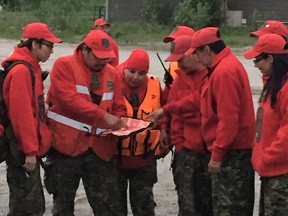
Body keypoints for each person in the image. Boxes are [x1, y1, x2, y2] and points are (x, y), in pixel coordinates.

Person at [44, 29, 127, 216]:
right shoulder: (64, 65)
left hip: (100, 150)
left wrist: (120, 120)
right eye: (99, 57)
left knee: (107, 206)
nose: (104, 62)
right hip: (66, 148)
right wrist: (104, 117)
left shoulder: (113, 74)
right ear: (85, 50)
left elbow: (119, 106)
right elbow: (69, 100)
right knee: (63, 205)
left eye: (107, 58)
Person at [186, 27, 255, 215]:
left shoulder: (224, 72)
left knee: (229, 208)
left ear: (207, 50)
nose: (197, 59)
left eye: (197, 54)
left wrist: (217, 155)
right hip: (233, 152)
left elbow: (228, 120)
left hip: (232, 155)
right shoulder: (225, 66)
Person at [1, 22, 62, 216]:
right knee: (27, 208)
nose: (52, 50)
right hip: (22, 151)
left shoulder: (29, 68)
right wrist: (29, 151)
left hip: (25, 148)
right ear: (35, 44)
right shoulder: (22, 71)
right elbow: (22, 115)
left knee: (31, 204)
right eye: (49, 45)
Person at [164, 35, 213, 216]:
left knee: (208, 204)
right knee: (187, 206)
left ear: (194, 54)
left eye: (181, 59)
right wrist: (178, 144)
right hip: (186, 152)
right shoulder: (179, 80)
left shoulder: (212, 76)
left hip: (208, 152)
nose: (179, 64)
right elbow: (172, 110)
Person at [116, 48, 168, 216]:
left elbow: (165, 112)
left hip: (145, 160)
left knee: (144, 208)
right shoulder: (111, 82)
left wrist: (165, 135)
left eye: (141, 73)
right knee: (113, 209)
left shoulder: (154, 84)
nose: (135, 77)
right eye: (132, 71)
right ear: (124, 67)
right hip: (114, 161)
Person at [243, 33, 288, 216]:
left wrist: (267, 157)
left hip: (281, 174)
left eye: (257, 60)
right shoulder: (273, 84)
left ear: (271, 58)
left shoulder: (285, 88)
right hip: (271, 172)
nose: (256, 66)